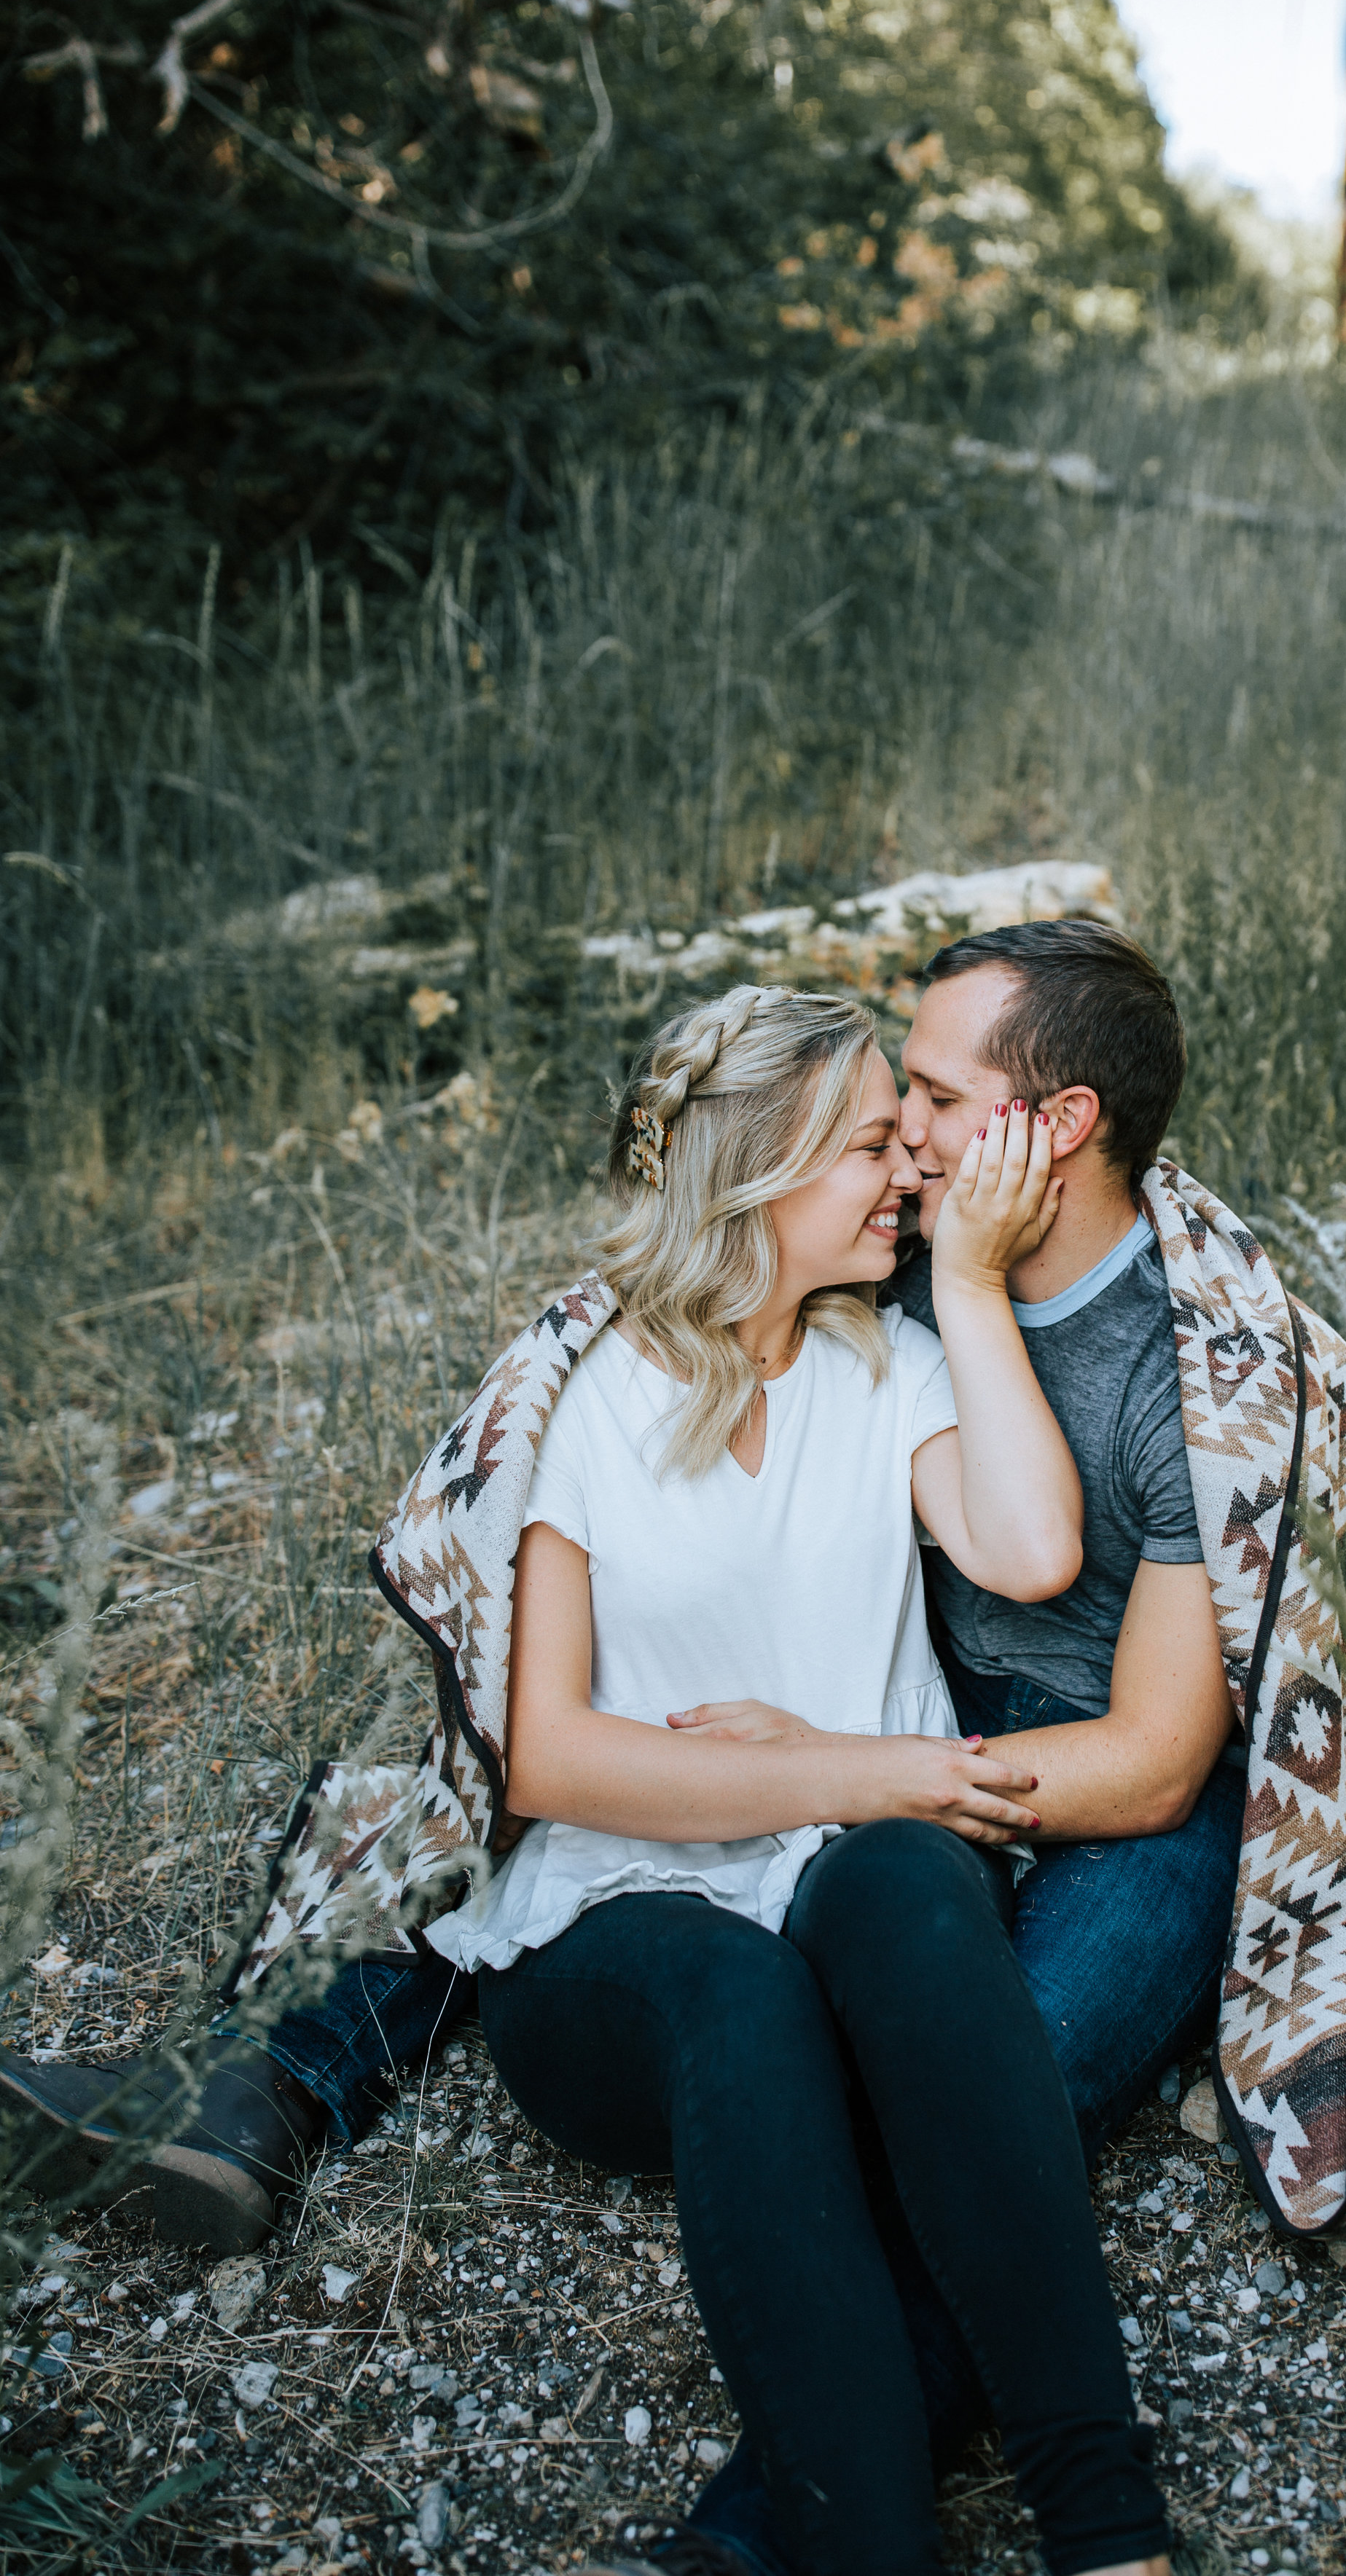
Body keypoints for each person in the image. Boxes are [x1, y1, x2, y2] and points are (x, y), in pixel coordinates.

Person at [12, 987, 1173, 2576]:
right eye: (868, 1148)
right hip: (619, 1942)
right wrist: (881, 1766)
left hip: (856, 1893)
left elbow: (1032, 1551)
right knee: (736, 1985)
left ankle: (1108, 2531)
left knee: (909, 1881)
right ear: (756, 1169)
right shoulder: (583, 1391)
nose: (907, 1174)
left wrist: (968, 1284)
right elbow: (548, 1752)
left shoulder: (887, 1363)